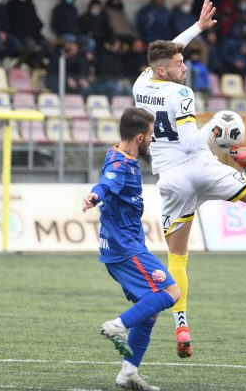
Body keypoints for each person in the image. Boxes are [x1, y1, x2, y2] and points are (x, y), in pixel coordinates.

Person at [132, 0, 246, 357]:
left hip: (171, 179)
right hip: (201, 166)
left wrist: (198, 27)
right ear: (164, 71)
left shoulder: (141, 83)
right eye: (179, 64)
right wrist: (216, 123)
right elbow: (190, 141)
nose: (185, 66)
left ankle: (181, 325)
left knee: (178, 258)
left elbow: (171, 49)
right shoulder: (181, 93)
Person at [82, 107, 180, 391]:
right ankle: (118, 325)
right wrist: (94, 195)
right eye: (150, 135)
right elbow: (106, 183)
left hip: (123, 245)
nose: (151, 139)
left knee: (149, 310)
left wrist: (98, 193)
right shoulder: (121, 163)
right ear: (139, 137)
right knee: (171, 292)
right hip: (125, 248)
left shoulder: (118, 153)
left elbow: (109, 182)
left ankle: (128, 373)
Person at [7, 0, 50, 68]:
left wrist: (38, 26)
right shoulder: (11, 5)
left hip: (35, 33)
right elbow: (11, 23)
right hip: (22, 34)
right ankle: (19, 63)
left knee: (48, 44)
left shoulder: (30, 5)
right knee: (30, 45)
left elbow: (36, 20)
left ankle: (35, 61)